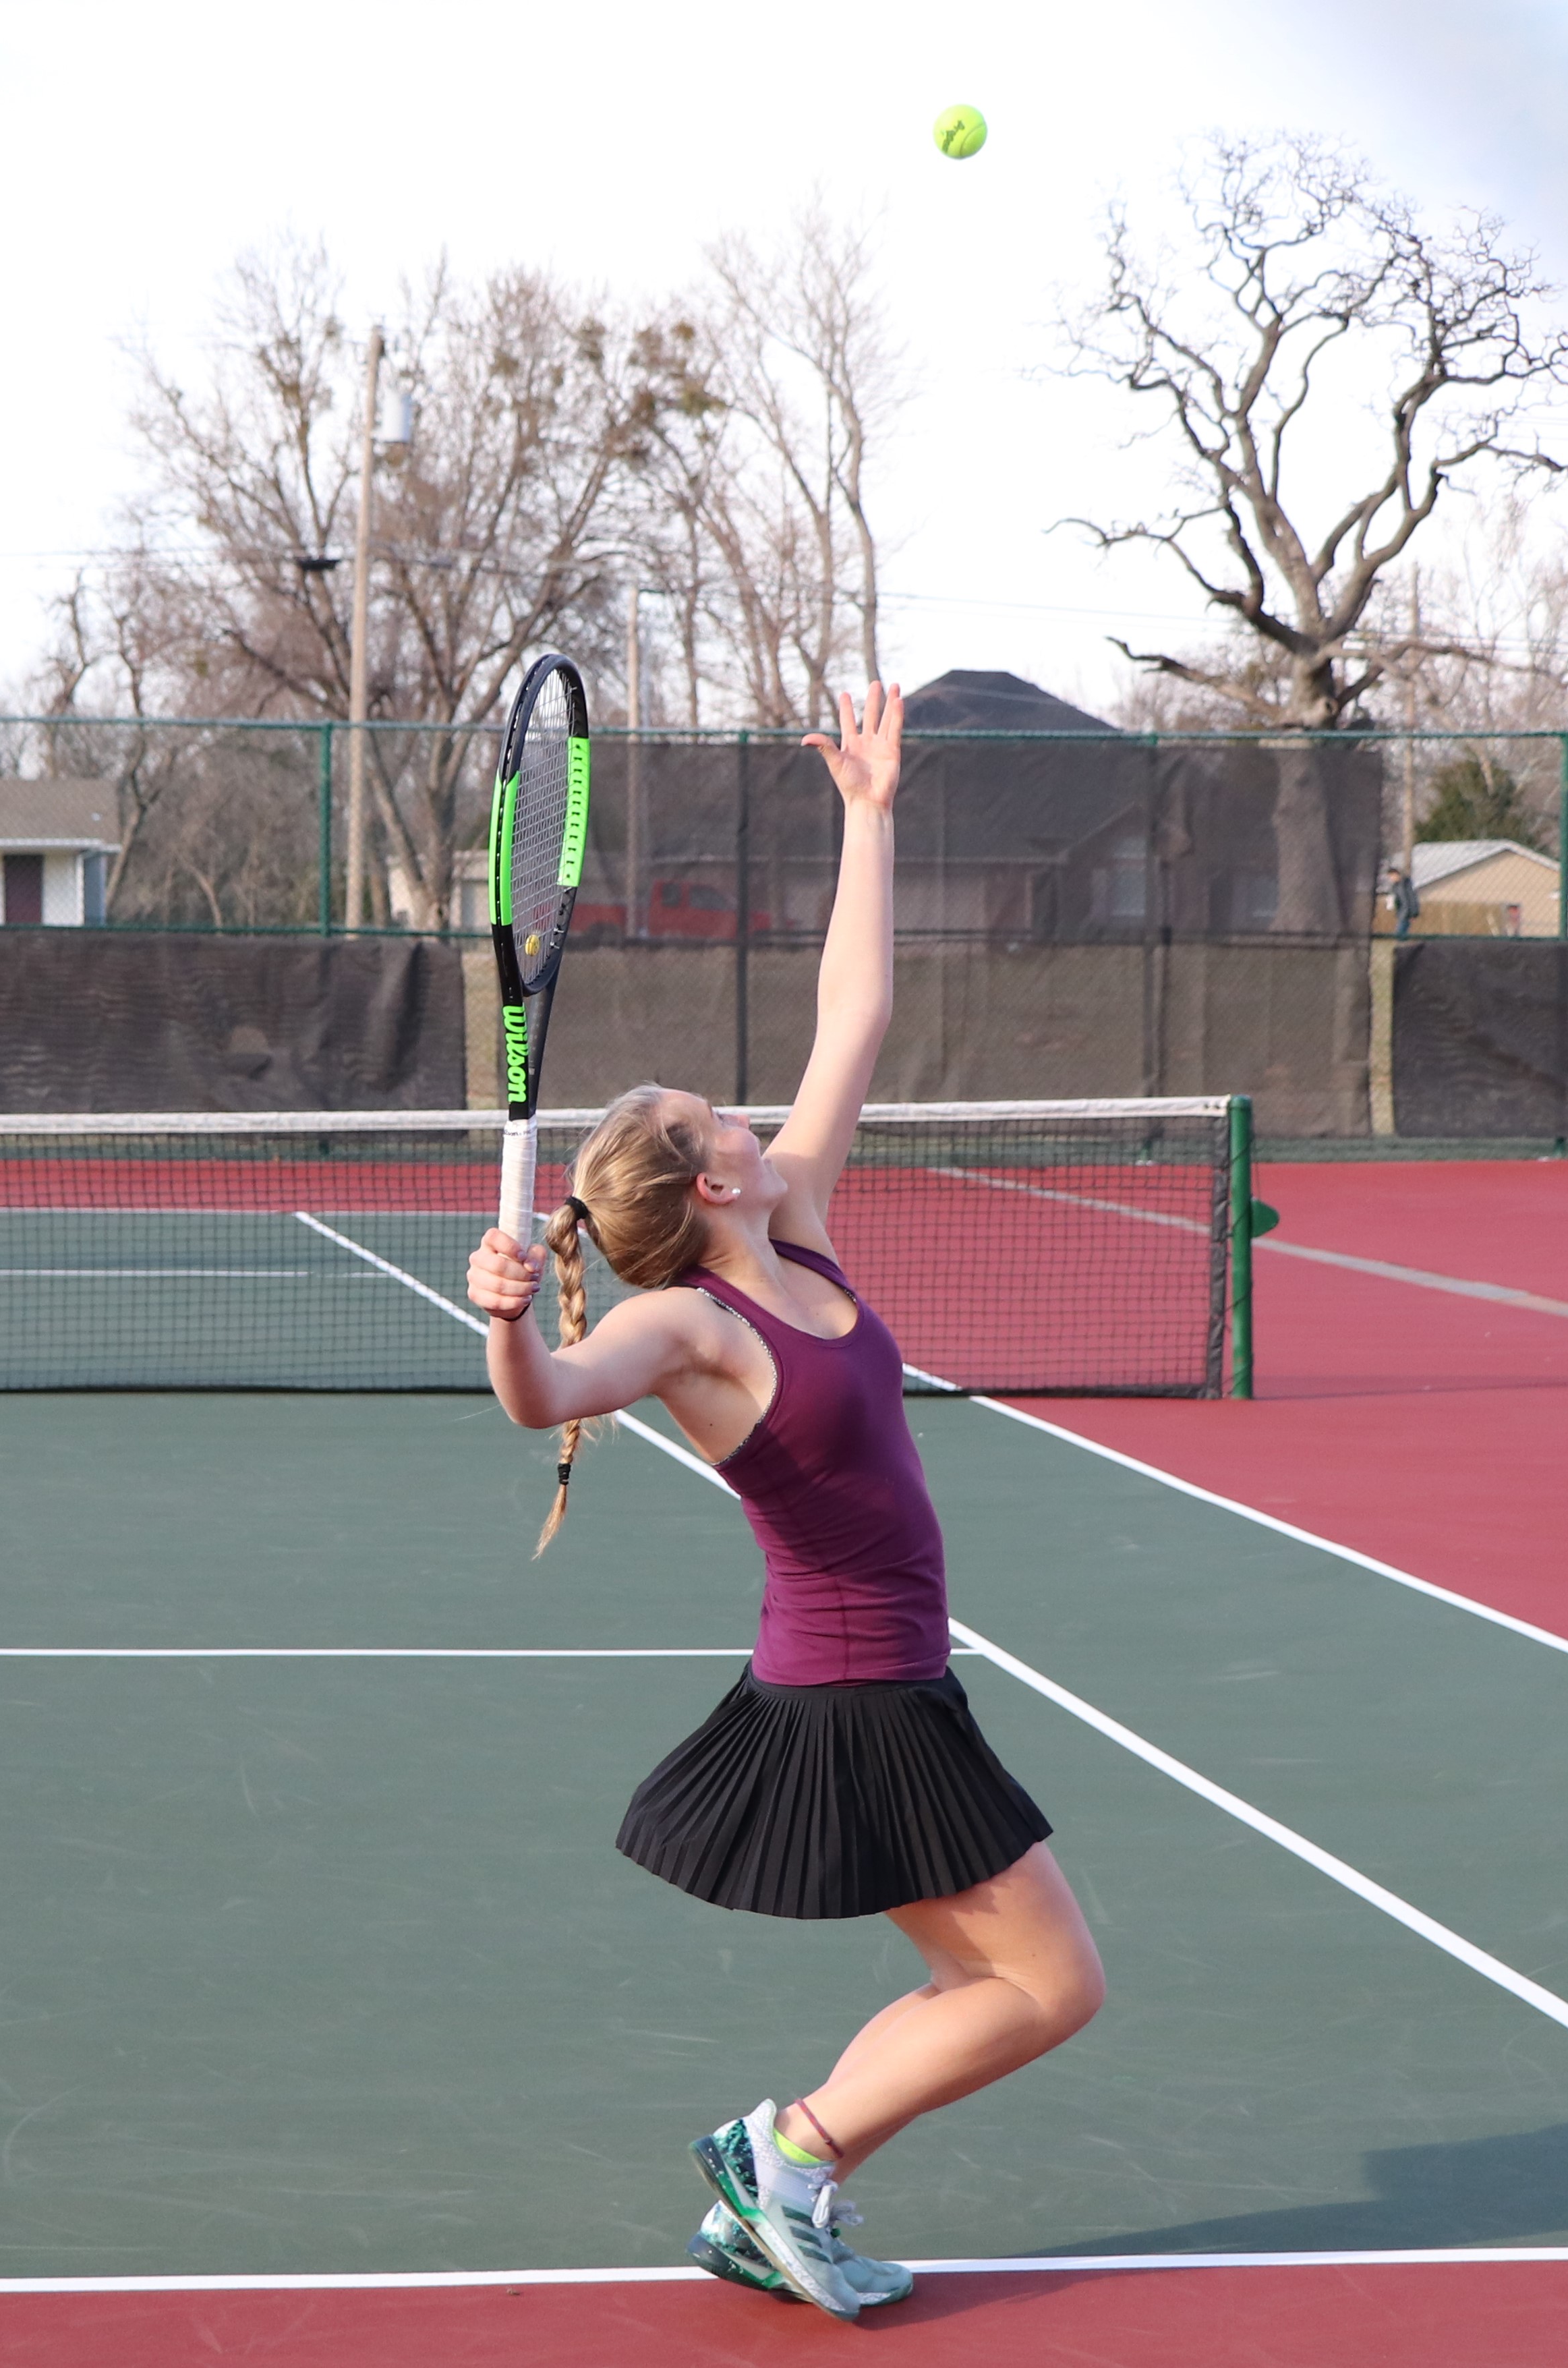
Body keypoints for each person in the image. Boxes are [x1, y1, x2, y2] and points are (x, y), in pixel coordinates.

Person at [463, 684, 1103, 2321]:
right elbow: (546, 1395)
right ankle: (784, 2152)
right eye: (709, 1117)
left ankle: (789, 2171)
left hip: (886, 1682)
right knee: (1048, 1982)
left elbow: (854, 1014)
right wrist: (503, 1318)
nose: (739, 1111)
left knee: (996, 1974)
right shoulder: (686, 1326)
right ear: (706, 1179)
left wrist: (871, 814)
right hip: (851, 1697)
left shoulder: (797, 1226)